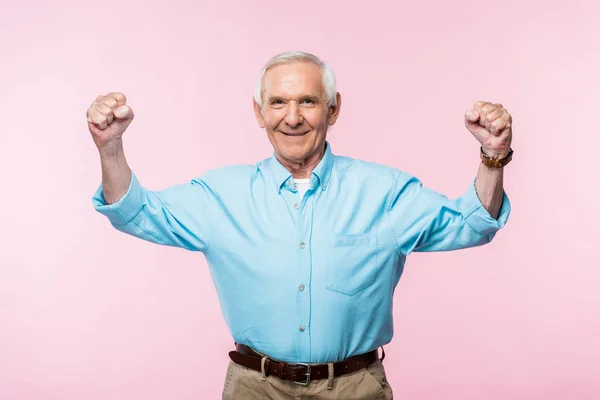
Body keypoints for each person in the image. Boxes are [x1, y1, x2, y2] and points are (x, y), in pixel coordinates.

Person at [87, 51, 512, 399]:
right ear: (259, 111)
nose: (292, 117)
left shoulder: (384, 191)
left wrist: (493, 157)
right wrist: (110, 149)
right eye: (278, 103)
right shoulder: (221, 195)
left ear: (333, 108)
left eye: (307, 101)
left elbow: (472, 225)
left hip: (355, 389)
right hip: (255, 389)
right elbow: (135, 212)